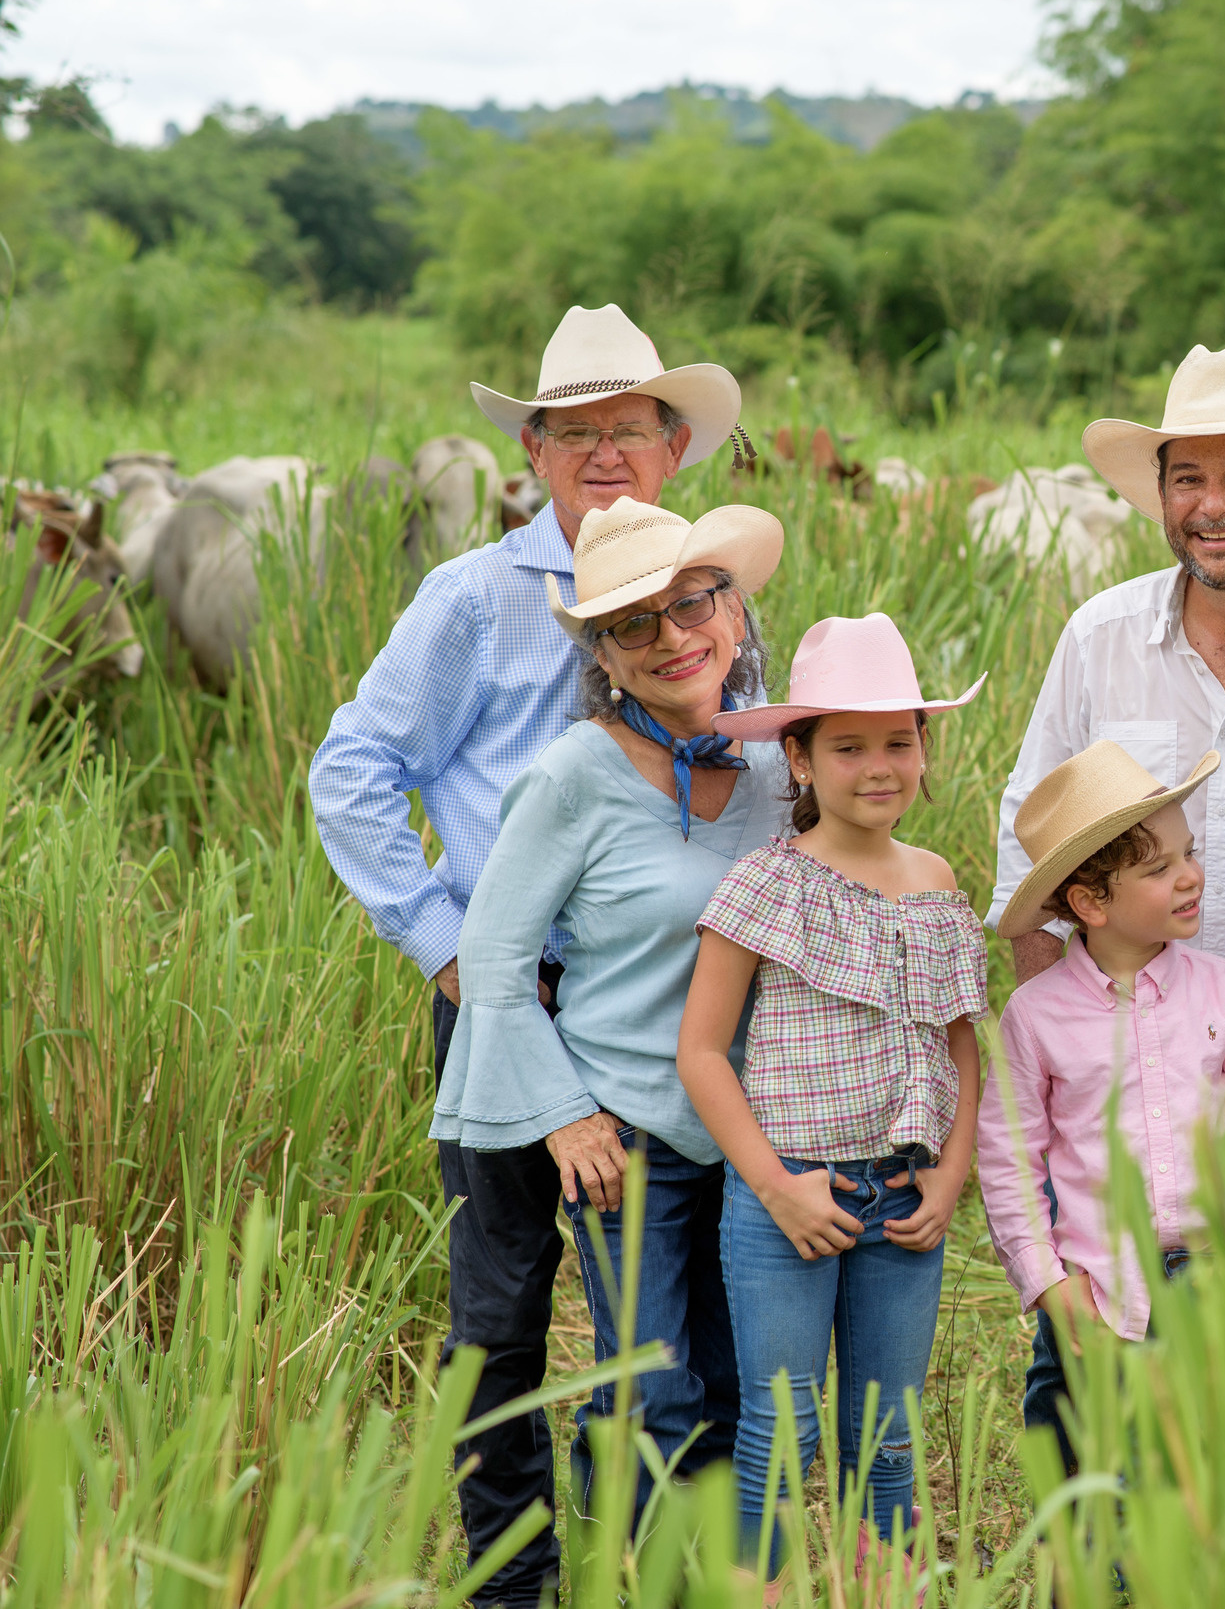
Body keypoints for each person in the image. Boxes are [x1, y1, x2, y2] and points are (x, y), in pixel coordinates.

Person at [308, 303, 743, 1604]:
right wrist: (447, 947)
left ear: (674, 448)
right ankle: (514, 1577)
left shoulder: (709, 595)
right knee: (499, 1308)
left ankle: (653, 1568)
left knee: (657, 1311)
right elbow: (353, 770)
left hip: (660, 1006)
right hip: (503, 991)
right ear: (537, 454)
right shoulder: (474, 597)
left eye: (629, 429)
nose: (604, 453)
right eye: (575, 434)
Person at [435, 497, 792, 1524]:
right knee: (655, 1383)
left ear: (734, 610)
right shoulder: (573, 774)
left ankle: (698, 1570)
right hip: (630, 1126)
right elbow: (494, 959)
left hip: (757, 1128)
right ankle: (631, 1566)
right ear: (601, 652)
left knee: (736, 1385)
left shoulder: (780, 765)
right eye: (633, 622)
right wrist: (562, 1113)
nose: (673, 638)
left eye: (692, 604)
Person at [673, 615, 989, 1582]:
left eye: (899, 741)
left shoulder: (934, 882)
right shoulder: (771, 880)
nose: (879, 766)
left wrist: (952, 1174)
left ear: (924, 750)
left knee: (889, 1431)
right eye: (847, 746)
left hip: (903, 1196)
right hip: (790, 1197)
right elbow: (702, 1053)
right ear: (800, 761)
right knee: (783, 1423)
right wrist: (773, 1186)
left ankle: (880, 1589)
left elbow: (961, 1049)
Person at [979, 740, 1225, 1478]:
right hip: (1098, 1291)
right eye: (1159, 868)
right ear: (1090, 902)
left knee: (1207, 1481)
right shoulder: (1035, 1015)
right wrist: (1047, 1280)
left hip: (1215, 1278)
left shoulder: (1222, 990)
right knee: (1092, 1484)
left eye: (1189, 852)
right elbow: (1009, 1159)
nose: (1191, 877)